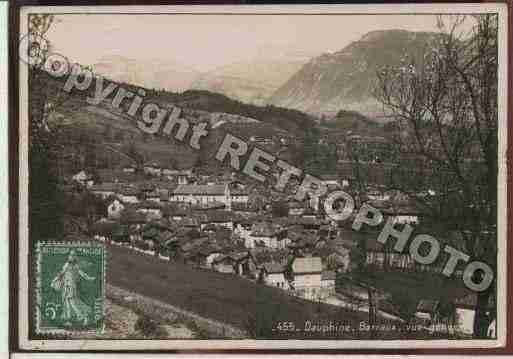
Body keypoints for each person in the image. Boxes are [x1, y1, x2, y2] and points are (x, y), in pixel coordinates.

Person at [51, 250, 96, 326]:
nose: (71, 257)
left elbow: (81, 274)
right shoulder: (68, 265)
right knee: (67, 303)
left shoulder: (73, 265)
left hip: (70, 286)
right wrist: (54, 281)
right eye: (70, 255)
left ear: (74, 257)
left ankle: (84, 317)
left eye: (73, 255)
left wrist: (89, 278)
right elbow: (61, 274)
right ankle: (69, 321)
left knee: (72, 302)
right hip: (66, 286)